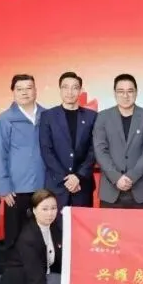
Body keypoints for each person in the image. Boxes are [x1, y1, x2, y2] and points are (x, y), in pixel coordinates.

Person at [0, 74, 47, 249]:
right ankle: (14, 268)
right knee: (15, 237)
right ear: (13, 92)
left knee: (41, 236)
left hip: (43, 187)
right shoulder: (5, 119)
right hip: (16, 189)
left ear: (35, 90)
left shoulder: (47, 115)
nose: (24, 92)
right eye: (19, 89)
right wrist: (4, 187)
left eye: (28, 88)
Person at [92, 74, 143, 208]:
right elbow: (100, 151)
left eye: (130, 91)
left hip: (140, 191)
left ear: (136, 92)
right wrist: (116, 177)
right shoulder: (103, 117)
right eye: (121, 91)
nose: (125, 95)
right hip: (111, 191)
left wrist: (131, 177)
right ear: (114, 93)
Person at [39, 71, 97, 209]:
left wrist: (78, 177)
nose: (69, 92)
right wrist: (66, 179)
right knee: (56, 222)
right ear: (60, 90)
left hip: (82, 185)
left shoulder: (92, 116)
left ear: (80, 90)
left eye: (74, 87)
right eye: (65, 87)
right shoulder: (48, 116)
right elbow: (46, 150)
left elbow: (94, 149)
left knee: (82, 222)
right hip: (57, 185)